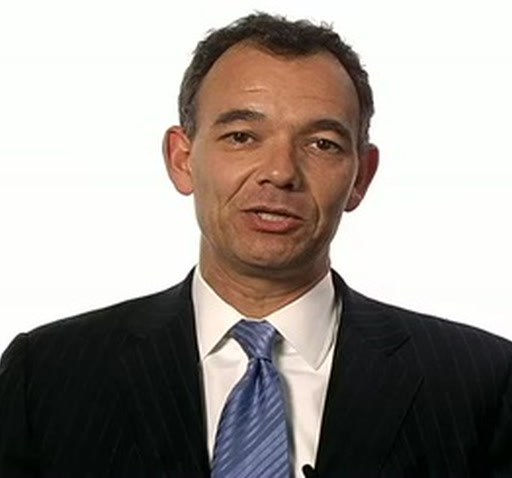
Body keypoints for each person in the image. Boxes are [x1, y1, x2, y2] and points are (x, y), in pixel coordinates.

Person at [0, 12, 511, 477]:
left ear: (361, 176)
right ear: (182, 159)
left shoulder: (480, 383)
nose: (280, 172)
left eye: (322, 144)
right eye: (242, 137)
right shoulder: (47, 375)